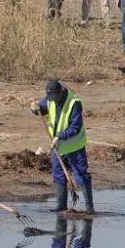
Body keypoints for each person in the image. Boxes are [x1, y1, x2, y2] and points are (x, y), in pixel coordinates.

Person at [30, 80, 94, 213]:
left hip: (74, 146)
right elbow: (41, 109)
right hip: (57, 147)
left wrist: (60, 136)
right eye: (49, 98)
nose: (52, 100)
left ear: (61, 92)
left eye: (54, 97)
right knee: (58, 174)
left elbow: (75, 127)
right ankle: (61, 206)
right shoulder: (50, 99)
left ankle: (89, 208)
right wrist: (34, 108)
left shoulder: (73, 103)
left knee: (81, 175)